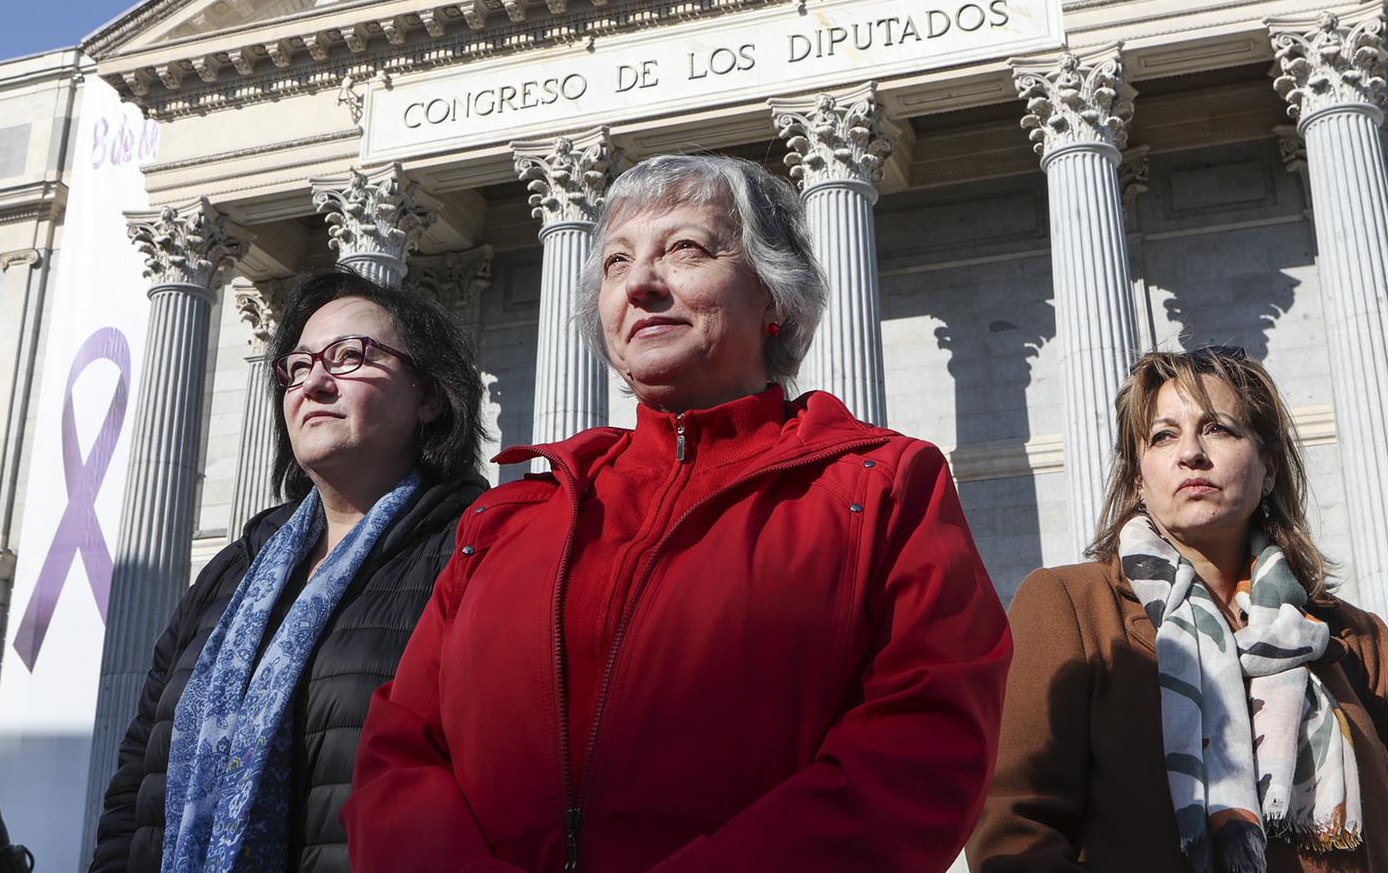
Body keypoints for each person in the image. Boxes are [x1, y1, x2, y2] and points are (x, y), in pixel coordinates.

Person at [345, 154, 1013, 872]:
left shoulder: (883, 486)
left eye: (685, 249)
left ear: (774, 296)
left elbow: (922, 747)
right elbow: (398, 752)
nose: (639, 283)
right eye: (615, 262)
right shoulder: (509, 517)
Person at [968, 349, 1388, 873]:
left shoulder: (1357, 640)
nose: (1191, 454)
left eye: (1219, 429)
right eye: (1163, 436)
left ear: (1268, 467)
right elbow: (1015, 830)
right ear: (1138, 478)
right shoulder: (1069, 607)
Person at [89, 270, 489, 873]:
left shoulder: (475, 553)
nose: (315, 383)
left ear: (430, 395)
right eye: (297, 367)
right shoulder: (233, 574)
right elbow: (136, 785)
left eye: (350, 356)